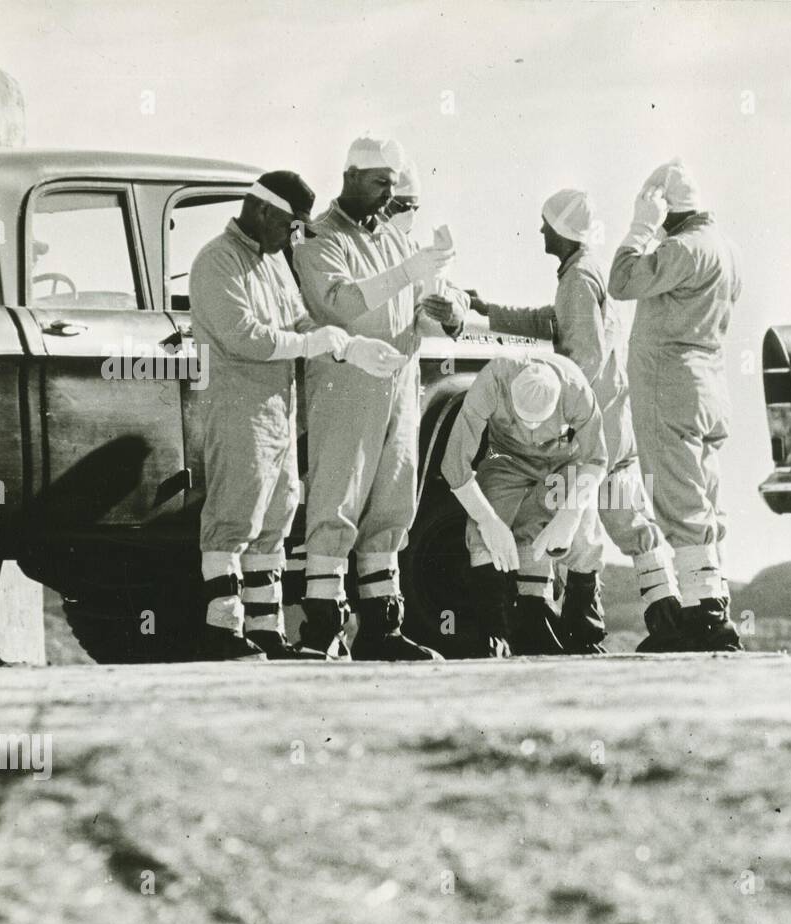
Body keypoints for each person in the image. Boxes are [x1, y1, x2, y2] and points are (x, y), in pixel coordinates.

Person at [191, 170, 402, 660]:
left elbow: (299, 320)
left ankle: (265, 632)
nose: (294, 237)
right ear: (263, 210)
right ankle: (223, 629)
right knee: (234, 517)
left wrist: (347, 344)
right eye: (290, 225)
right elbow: (244, 335)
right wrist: (311, 342)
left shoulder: (273, 264)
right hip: (238, 408)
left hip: (279, 412)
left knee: (277, 516)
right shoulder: (216, 262)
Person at [466, 189, 681, 653]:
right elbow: (553, 322)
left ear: (561, 229)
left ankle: (580, 626)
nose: (541, 230)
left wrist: (558, 418)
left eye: (545, 224)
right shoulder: (583, 273)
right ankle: (662, 617)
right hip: (610, 419)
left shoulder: (579, 277)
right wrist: (489, 312)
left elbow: (583, 353)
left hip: (589, 427)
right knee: (625, 519)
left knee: (572, 523)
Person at [292, 138, 464, 660]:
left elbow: (421, 307)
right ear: (349, 176)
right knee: (338, 497)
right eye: (380, 183)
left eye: (394, 184)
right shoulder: (319, 238)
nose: (389, 195)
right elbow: (340, 302)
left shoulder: (391, 238)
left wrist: (448, 309)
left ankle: (383, 626)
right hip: (346, 380)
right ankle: (322, 626)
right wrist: (410, 273)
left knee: (392, 501)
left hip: (401, 379)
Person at [609, 159, 743, 651]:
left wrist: (640, 228)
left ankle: (705, 616)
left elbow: (621, 282)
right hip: (710, 383)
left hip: (671, 384)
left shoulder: (682, 248)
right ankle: (710, 601)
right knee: (704, 496)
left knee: (680, 497)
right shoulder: (726, 248)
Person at [440, 354, 607, 657]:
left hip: (563, 459)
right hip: (505, 459)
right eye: (522, 418)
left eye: (538, 421)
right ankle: (495, 635)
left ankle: (584, 633)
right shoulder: (491, 382)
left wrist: (569, 516)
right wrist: (488, 521)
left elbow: (596, 460)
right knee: (482, 537)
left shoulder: (578, 391)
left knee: (583, 531)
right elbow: (454, 465)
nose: (531, 429)